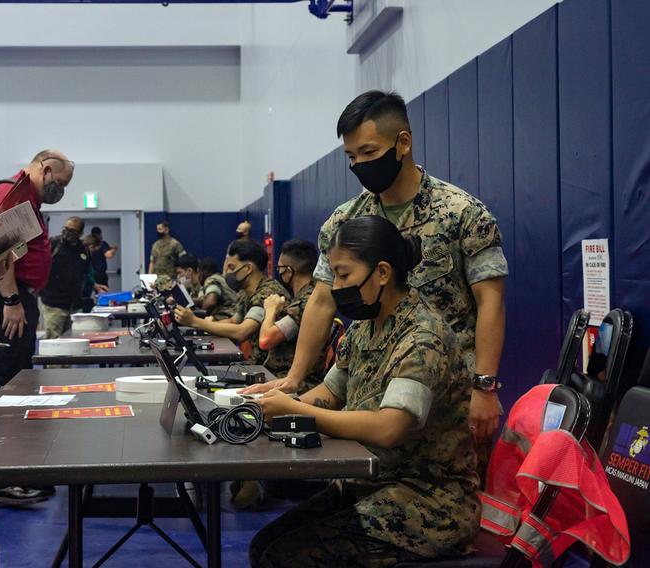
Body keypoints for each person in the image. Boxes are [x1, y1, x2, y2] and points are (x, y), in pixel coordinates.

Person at [244, 90, 509, 448]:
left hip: (448, 397)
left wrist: (485, 385)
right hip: (371, 396)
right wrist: (293, 379)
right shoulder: (345, 222)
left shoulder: (463, 214)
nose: (360, 165)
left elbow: (490, 302)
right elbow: (321, 302)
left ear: (403, 142)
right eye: (351, 157)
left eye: (369, 153)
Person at [250, 215, 479, 566]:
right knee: (264, 545)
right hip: (372, 483)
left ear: (382, 273)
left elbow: (389, 428)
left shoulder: (422, 338)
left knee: (283, 558)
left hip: (427, 502)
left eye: (344, 275)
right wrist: (268, 407)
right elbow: (330, 391)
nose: (336, 286)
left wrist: (295, 411)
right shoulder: (365, 329)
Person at [0, 149, 74, 505]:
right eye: (60, 183)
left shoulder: (28, 197)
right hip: (3, 302)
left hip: (16, 300)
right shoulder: (12, 193)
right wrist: (11, 301)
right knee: (2, 391)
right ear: (45, 169)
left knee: (17, 388)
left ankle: (18, 472)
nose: (60, 191)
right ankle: (0, 481)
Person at [174, 240, 291, 375]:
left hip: (271, 372)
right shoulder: (246, 293)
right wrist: (203, 324)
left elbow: (242, 331)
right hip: (255, 367)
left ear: (248, 269)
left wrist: (195, 322)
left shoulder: (267, 293)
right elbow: (233, 321)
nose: (226, 274)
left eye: (231, 267)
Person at [258, 239, 327, 394]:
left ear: (288, 271)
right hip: (279, 377)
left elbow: (266, 340)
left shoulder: (307, 301)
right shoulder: (303, 296)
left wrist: (270, 309)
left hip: (295, 382)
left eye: (279, 268)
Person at [40, 216, 108, 338]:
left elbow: (85, 273)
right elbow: (39, 267)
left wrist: (95, 286)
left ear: (80, 233)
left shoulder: (84, 250)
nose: (67, 232)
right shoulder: (53, 244)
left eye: (72, 231)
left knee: (74, 340)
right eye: (65, 228)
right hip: (54, 304)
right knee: (53, 342)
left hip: (75, 305)